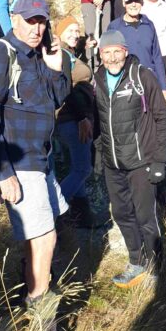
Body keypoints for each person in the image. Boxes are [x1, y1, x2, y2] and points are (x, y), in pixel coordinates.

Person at [0, 0, 78, 331]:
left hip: (42, 160)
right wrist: (3, 172)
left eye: (42, 21)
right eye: (30, 20)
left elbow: (58, 97)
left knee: (42, 237)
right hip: (20, 163)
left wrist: (56, 65)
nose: (37, 28)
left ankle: (29, 297)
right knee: (44, 239)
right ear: (14, 19)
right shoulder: (1, 53)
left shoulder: (36, 56)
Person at [84, 34, 166, 290]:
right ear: (100, 54)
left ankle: (156, 266)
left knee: (145, 216)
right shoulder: (98, 79)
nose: (111, 58)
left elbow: (162, 120)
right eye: (106, 53)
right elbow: (99, 121)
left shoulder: (142, 76)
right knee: (121, 213)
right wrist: (100, 154)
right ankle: (136, 261)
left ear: (125, 50)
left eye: (116, 52)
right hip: (114, 163)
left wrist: (158, 161)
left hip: (141, 161)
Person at [52, 19, 102, 229]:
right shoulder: (62, 55)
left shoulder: (68, 54)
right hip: (72, 119)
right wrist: (82, 116)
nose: (75, 33)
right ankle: (52, 212)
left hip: (73, 118)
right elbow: (66, 89)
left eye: (77, 30)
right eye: (70, 30)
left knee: (77, 166)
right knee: (83, 169)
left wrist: (83, 45)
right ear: (59, 33)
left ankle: (83, 217)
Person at [110, 0, 166, 79]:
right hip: (125, 81)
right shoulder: (114, 27)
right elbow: (110, 59)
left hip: (150, 79)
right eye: (129, 1)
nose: (133, 4)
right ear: (124, 3)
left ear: (142, 2)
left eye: (137, 1)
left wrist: (164, 88)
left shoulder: (149, 24)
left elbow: (157, 57)